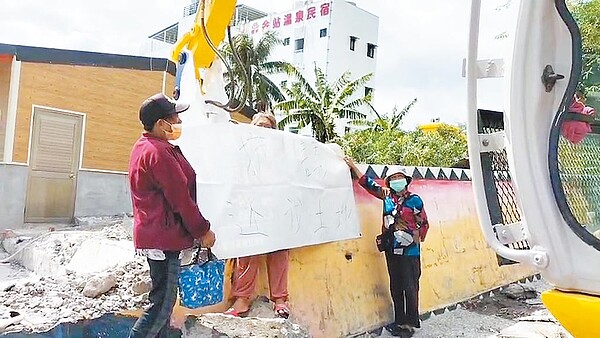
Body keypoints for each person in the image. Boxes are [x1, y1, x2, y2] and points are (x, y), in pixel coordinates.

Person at [128, 93, 216, 338]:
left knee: (163, 303)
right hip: (164, 238)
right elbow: (180, 199)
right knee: (161, 305)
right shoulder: (159, 153)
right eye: (174, 117)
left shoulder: (146, 147)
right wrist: (202, 230)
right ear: (160, 123)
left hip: (157, 235)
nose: (178, 121)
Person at [345, 157, 428, 337]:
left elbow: (424, 223)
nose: (397, 180)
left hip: (410, 251)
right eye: (393, 178)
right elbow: (367, 183)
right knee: (396, 286)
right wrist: (352, 165)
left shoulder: (415, 200)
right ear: (389, 182)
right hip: (391, 248)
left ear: (406, 181)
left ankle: (410, 323)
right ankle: (399, 322)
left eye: (400, 177)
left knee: (410, 287)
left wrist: (413, 239)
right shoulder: (386, 195)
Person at [225, 112, 291, 319]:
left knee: (279, 251)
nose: (263, 130)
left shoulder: (284, 154)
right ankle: (242, 299)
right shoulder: (241, 150)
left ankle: (280, 300)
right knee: (246, 251)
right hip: (249, 208)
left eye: (268, 127)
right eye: (259, 126)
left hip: (276, 208)